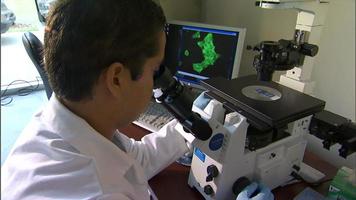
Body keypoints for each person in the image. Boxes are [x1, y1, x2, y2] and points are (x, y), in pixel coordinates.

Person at [1, 0, 273, 199]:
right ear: (116, 79)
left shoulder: (60, 125)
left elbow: (135, 161)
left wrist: (187, 126)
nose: (159, 82)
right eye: (156, 71)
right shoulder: (96, 193)